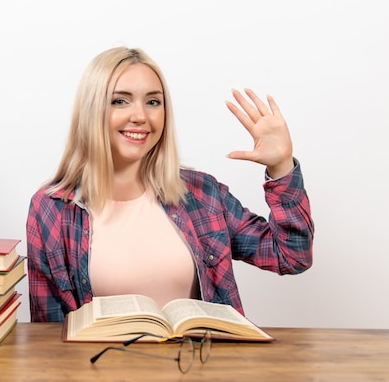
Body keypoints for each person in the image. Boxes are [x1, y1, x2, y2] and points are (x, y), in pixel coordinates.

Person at [26, 47, 314, 322]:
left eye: (153, 101)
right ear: (91, 110)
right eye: (120, 100)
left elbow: (291, 255)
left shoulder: (203, 195)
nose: (140, 116)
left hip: (200, 370)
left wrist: (281, 166)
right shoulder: (51, 209)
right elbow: (48, 333)